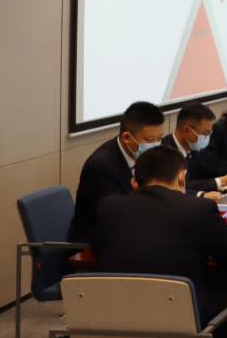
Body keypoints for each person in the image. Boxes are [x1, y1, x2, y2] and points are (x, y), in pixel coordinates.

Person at [92, 146, 227, 338]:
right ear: (182, 177)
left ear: (135, 182)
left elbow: (101, 249)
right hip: (184, 336)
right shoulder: (198, 209)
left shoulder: (108, 208)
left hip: (115, 334)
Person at [69, 102, 166, 243]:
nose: (156, 145)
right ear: (127, 138)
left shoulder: (147, 156)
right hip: (96, 244)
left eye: (160, 139)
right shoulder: (101, 167)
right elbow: (118, 216)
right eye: (150, 140)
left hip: (132, 233)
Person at [161, 102, 227, 197]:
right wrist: (222, 181)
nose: (207, 138)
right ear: (187, 130)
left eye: (210, 133)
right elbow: (181, 187)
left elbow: (212, 167)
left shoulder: (194, 146)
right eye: (205, 134)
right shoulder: (165, 154)